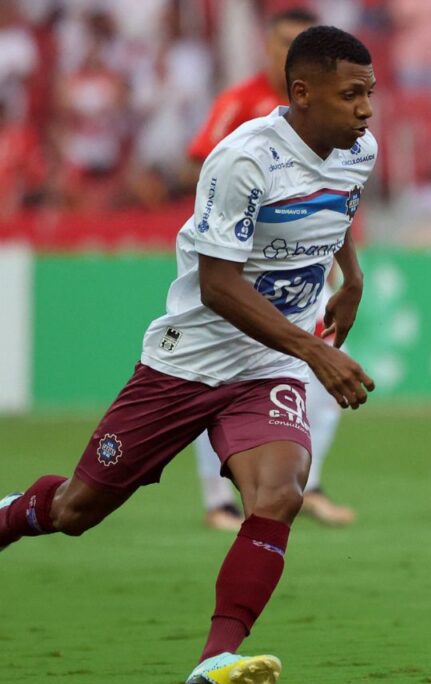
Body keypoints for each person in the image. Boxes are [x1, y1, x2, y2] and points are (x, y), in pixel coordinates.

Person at [1, 26, 377, 684]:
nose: (367, 110)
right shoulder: (244, 160)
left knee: (279, 493)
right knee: (76, 511)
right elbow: (219, 285)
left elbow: (340, 209)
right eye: (351, 95)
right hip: (190, 359)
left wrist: (354, 279)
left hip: (268, 366)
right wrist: (313, 353)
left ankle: (216, 659)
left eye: (369, 93)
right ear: (302, 94)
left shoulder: (358, 148)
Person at [186, 6, 356, 531]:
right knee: (209, 374)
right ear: (268, 47)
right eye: (280, 42)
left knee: (328, 369)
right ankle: (219, 501)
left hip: (308, 260)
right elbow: (203, 163)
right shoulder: (239, 104)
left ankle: (310, 481)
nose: (286, 53)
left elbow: (340, 191)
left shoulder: (326, 112)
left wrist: (346, 267)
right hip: (239, 265)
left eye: (296, 44)